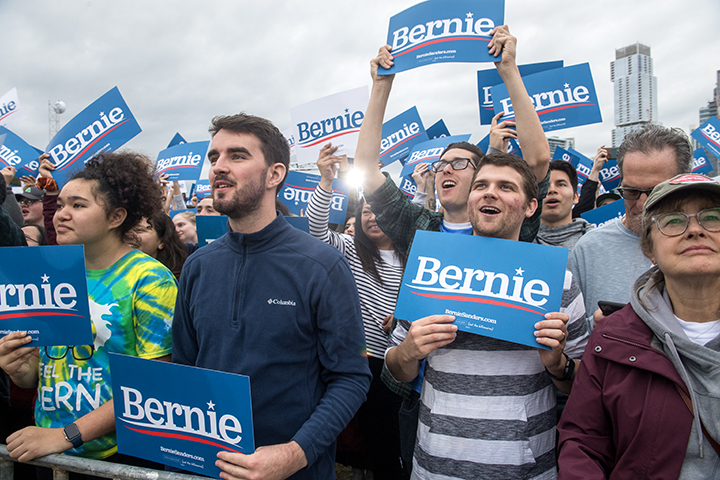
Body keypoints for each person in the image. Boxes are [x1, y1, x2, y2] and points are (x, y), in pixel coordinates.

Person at [172, 113, 371, 480]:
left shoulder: (322, 265)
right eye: (214, 157)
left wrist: (296, 454)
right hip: (209, 467)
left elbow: (351, 377)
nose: (219, 167)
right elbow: (185, 367)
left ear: (275, 175)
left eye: (237, 156)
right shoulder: (198, 265)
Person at [385, 152, 588, 479]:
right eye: (481, 185)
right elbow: (395, 368)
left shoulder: (558, 281)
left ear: (530, 206)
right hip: (435, 467)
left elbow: (584, 382)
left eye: (506, 186)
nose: (490, 192)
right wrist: (409, 351)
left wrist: (557, 364)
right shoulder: (429, 268)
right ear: (470, 200)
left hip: (525, 470)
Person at [0, 152, 177, 476]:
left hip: (118, 460)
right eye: (62, 204)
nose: (61, 215)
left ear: (116, 216)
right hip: (50, 455)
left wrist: (65, 437)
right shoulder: (51, 271)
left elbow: (151, 384)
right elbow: (45, 370)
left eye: (78, 205)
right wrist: (19, 369)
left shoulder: (148, 279)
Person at [558, 173, 720, 479]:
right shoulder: (612, 339)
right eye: (673, 221)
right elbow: (583, 442)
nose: (695, 230)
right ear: (649, 247)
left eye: (713, 217)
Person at [355, 26, 551, 260]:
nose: (446, 169)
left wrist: (508, 69)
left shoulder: (508, 225)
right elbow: (367, 171)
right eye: (441, 165)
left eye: (459, 163)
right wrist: (380, 85)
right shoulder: (417, 226)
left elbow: (538, 160)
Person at [307, 142, 405, 479]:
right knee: (371, 446)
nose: (372, 217)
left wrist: (405, 315)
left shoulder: (418, 253)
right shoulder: (349, 248)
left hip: (400, 364)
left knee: (395, 442)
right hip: (360, 361)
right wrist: (325, 181)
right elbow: (318, 231)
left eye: (378, 210)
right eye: (365, 211)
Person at [569, 125, 693, 331]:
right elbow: (571, 336)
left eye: (656, 191)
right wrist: (596, 327)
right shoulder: (588, 249)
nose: (642, 204)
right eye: (631, 191)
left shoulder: (709, 246)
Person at [535, 159, 594, 250]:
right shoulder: (518, 241)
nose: (552, 190)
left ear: (575, 197)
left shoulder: (596, 241)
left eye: (561, 184)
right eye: (545, 185)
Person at [130, 211, 188, 279]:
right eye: (126, 231)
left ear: (162, 242)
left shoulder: (173, 280)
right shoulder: (118, 271)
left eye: (139, 230)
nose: (129, 235)